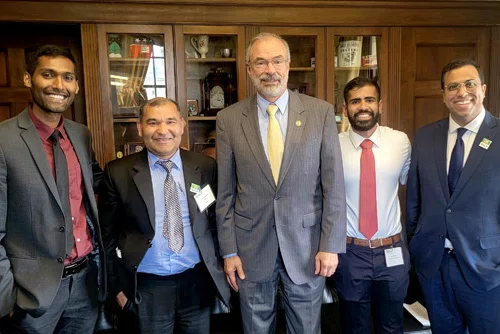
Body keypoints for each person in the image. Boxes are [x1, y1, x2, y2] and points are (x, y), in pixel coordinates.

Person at [216, 32, 346, 333]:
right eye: (260, 62)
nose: (269, 70)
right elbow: (225, 194)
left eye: (276, 61)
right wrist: (229, 252)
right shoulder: (229, 119)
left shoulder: (320, 112)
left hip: (306, 249)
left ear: (288, 65)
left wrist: (330, 245)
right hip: (250, 250)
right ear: (249, 69)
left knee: (305, 328)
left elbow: (334, 187)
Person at [99, 97, 230, 334]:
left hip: (197, 282)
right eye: (153, 123)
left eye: (170, 121)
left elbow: (215, 220)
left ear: (181, 125)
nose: (163, 131)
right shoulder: (118, 172)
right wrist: (116, 288)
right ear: (140, 128)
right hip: (147, 286)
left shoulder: (206, 166)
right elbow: (106, 235)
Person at [0, 45, 105, 333]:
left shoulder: (80, 134)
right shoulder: (3, 140)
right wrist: (6, 299)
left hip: (85, 283)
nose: (59, 85)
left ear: (77, 86)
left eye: (68, 77)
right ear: (27, 79)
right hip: (31, 294)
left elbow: (98, 184)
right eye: (48, 74)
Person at [406, 59, 500, 334]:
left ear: (483, 89)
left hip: (487, 270)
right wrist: (416, 249)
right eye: (453, 86)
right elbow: (415, 200)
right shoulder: (425, 137)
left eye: (469, 84)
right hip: (434, 267)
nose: (462, 92)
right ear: (444, 94)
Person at [335, 77, 411, 334]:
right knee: (354, 326)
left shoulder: (400, 142)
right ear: (345, 109)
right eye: (355, 101)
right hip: (350, 252)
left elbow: (414, 187)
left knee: (392, 325)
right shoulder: (333, 146)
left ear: (380, 105)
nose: (362, 106)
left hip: (391, 251)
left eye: (369, 100)